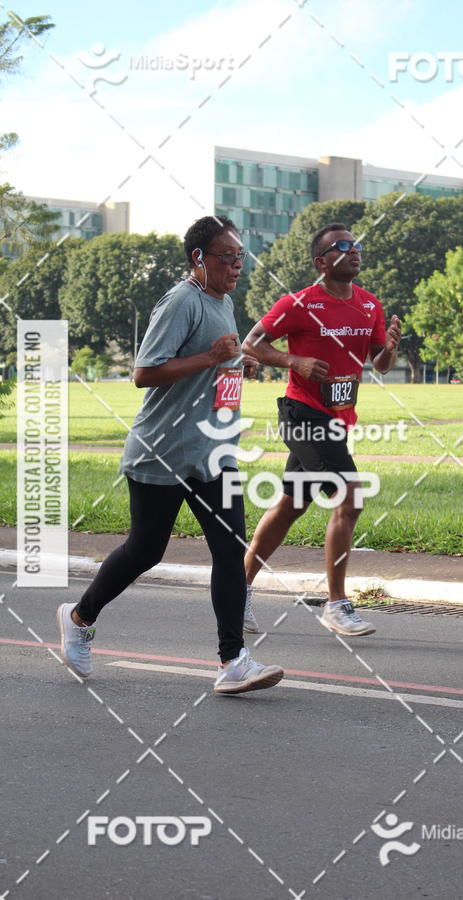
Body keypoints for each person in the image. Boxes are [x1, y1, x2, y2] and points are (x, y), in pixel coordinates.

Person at [56, 216, 284, 695]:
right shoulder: (182, 301)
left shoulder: (224, 301)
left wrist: (233, 362)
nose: (237, 264)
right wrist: (209, 358)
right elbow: (144, 373)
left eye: (241, 255)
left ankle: (232, 661)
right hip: (161, 451)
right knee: (145, 551)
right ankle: (79, 618)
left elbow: (214, 359)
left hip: (212, 451)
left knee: (230, 549)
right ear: (199, 258)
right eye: (228, 256)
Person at [241, 222, 400, 637]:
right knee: (351, 496)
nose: (353, 251)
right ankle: (336, 604)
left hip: (338, 420)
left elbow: (378, 365)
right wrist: (295, 362)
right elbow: (251, 343)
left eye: (356, 245)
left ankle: (234, 590)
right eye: (341, 247)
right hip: (302, 414)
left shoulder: (369, 305)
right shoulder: (298, 303)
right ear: (321, 262)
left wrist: (389, 351)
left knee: (290, 507)